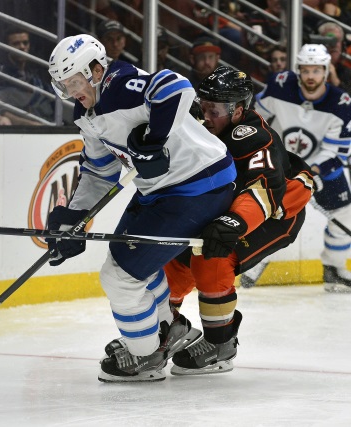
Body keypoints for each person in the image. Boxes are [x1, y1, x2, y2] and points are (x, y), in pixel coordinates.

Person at [46, 34, 238, 382]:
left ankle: (145, 354)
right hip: (163, 191)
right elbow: (99, 170)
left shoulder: (121, 84)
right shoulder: (87, 111)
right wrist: (74, 219)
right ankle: (166, 330)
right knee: (130, 264)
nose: (71, 90)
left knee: (119, 277)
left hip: (199, 185)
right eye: (64, 84)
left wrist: (153, 140)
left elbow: (176, 87)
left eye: (74, 81)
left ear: (95, 69)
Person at [163, 66, 315, 374]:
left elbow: (265, 188)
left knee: (213, 259)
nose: (205, 116)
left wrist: (235, 221)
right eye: (202, 106)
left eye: (214, 110)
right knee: (173, 264)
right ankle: (164, 328)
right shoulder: (203, 126)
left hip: (275, 214)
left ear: (238, 111)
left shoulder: (251, 135)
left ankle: (221, 344)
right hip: (228, 211)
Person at [253, 44, 351, 293]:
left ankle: (334, 268)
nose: (310, 76)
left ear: (326, 71)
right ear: (298, 70)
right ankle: (252, 267)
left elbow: (338, 152)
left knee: (345, 214)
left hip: (321, 170)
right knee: (269, 213)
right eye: (305, 70)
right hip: (282, 165)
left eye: (316, 71)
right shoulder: (280, 86)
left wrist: (312, 174)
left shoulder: (341, 103)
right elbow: (256, 118)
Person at [0, 27, 55, 124]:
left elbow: (51, 95)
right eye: (16, 44)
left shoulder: (34, 72)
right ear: (7, 47)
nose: (22, 47)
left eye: (25, 43)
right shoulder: (0, 75)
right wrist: (34, 125)